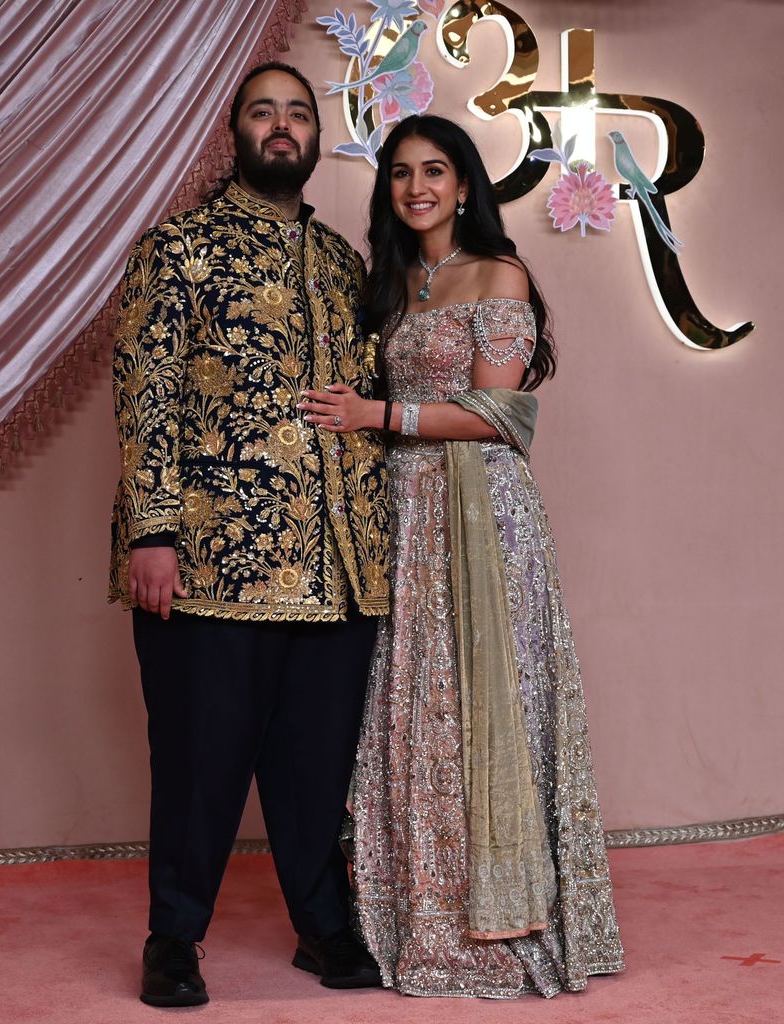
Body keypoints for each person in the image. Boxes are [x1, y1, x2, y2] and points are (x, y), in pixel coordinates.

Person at [297, 114, 625, 998]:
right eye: (401, 173)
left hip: (482, 514)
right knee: (409, 710)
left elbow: (498, 415)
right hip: (400, 517)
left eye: (434, 171)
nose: (416, 188)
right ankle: (403, 914)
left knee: (483, 708)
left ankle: (499, 918)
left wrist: (376, 416)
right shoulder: (389, 283)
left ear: (465, 182)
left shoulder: (499, 273)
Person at [109, 62, 389, 1006]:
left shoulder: (344, 263)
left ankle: (323, 928)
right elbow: (146, 394)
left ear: (315, 137)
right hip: (207, 561)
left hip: (336, 569)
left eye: (298, 114)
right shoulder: (177, 248)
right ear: (234, 130)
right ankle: (174, 941)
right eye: (263, 112)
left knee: (316, 763)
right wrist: (152, 530)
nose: (282, 127)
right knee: (199, 761)